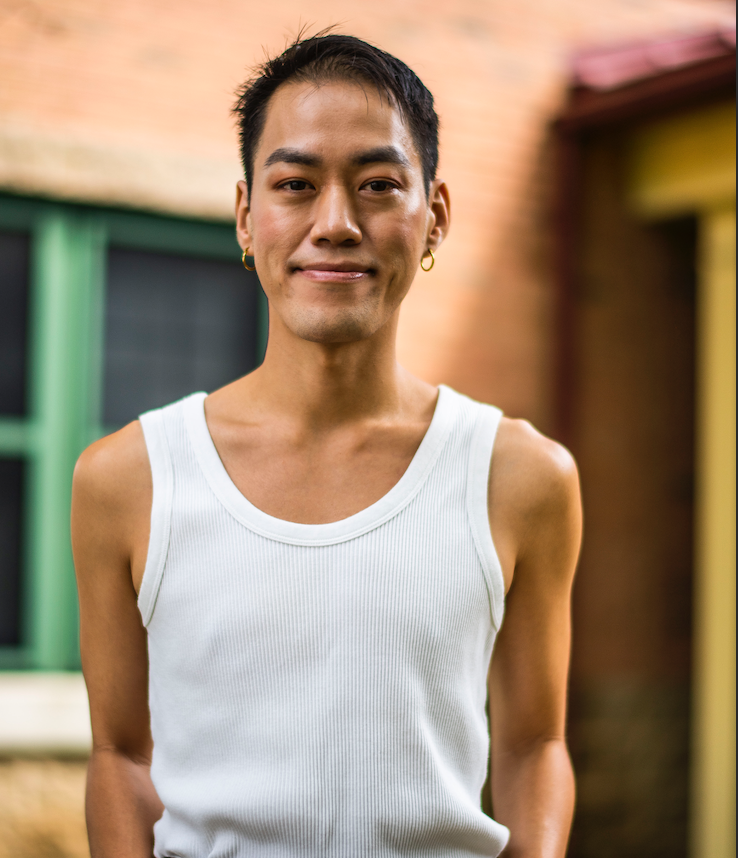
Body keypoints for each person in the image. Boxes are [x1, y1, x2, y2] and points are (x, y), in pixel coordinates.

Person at [72, 32, 582, 858]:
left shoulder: (521, 476)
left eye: (378, 185)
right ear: (247, 215)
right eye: (296, 185)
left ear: (435, 218)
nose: (336, 224)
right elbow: (121, 757)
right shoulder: (128, 478)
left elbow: (535, 746)